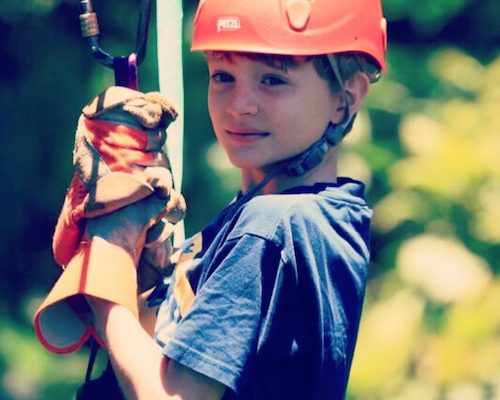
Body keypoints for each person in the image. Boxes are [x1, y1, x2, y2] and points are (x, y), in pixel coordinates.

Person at [45, 0, 388, 398]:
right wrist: (143, 276)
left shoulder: (270, 228)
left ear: (345, 99)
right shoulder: (311, 218)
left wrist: (109, 262)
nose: (239, 105)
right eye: (223, 76)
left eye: (273, 80)